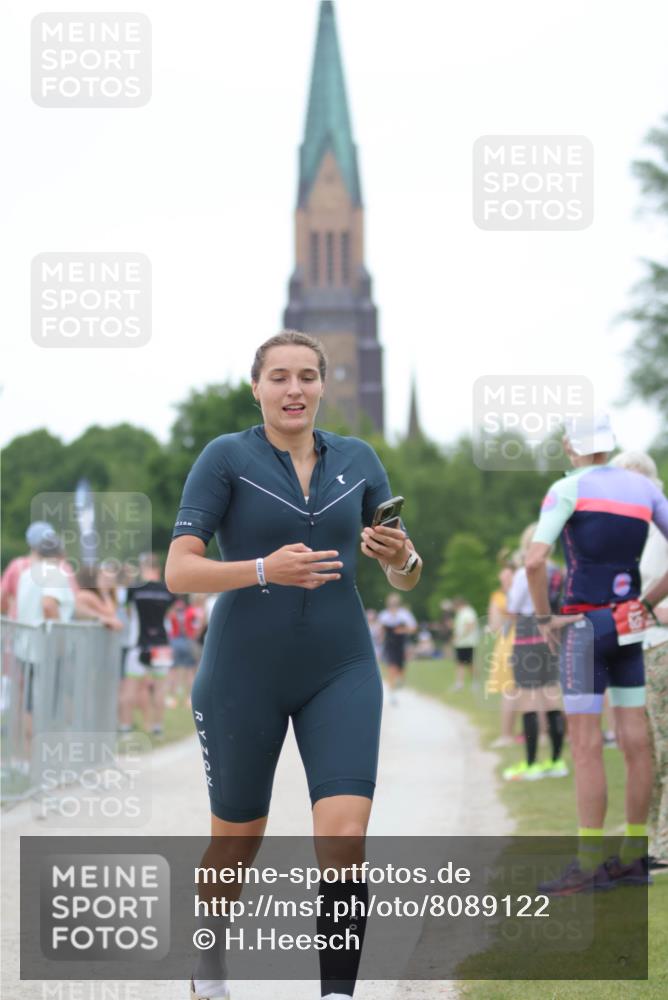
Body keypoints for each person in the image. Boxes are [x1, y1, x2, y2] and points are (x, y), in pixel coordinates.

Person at [165, 330, 423, 1000]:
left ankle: (336, 994)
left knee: (344, 837)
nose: (294, 389)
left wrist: (399, 559)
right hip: (242, 675)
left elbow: (406, 573)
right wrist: (261, 569)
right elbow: (179, 570)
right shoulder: (226, 458)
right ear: (257, 386)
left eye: (307, 376)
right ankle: (210, 967)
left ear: (322, 385)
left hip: (341, 669)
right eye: (279, 377)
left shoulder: (359, 460)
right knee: (236, 846)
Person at [525, 413, 668, 894]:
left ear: (570, 447)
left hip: (583, 626)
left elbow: (535, 558)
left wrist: (545, 619)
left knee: (585, 746)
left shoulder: (568, 487)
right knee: (635, 741)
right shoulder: (643, 489)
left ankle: (587, 865)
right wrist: (647, 602)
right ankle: (633, 857)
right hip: (629, 621)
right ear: (610, 446)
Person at [611, 450, 668, 871]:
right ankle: (649, 837)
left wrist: (651, 608)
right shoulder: (625, 530)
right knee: (641, 749)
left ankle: (663, 845)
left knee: (664, 748)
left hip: (662, 647)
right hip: (633, 648)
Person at [501, 524, 567, 781]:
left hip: (528, 631)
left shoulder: (523, 573)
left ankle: (531, 764)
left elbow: (513, 606)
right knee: (552, 696)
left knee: (528, 699)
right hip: (551, 633)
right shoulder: (557, 571)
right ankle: (556, 760)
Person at [14, 526, 75, 765]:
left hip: (26, 646)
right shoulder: (55, 574)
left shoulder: (25, 573)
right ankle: (47, 761)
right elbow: (49, 605)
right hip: (48, 649)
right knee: (51, 705)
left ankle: (30, 758)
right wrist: (59, 639)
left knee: (30, 703)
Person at [123, 553, 175, 738]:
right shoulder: (167, 590)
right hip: (161, 645)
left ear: (143, 567)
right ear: (159, 569)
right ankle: (157, 728)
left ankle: (126, 728)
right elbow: (169, 614)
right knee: (160, 689)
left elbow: (128, 612)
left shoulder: (134, 589)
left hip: (138, 644)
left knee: (130, 687)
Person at [486, 564, 517, 748]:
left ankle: (506, 735)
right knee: (533, 691)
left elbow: (494, 626)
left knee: (509, 691)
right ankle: (542, 734)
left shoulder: (498, 598)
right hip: (528, 640)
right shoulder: (525, 592)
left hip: (507, 644)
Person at [378, 592, 417, 704]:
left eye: (395, 603)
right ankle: (392, 693)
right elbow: (381, 630)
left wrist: (402, 630)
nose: (393, 605)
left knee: (401, 668)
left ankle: (400, 681)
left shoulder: (404, 614)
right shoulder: (384, 615)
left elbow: (413, 628)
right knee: (392, 668)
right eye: (391, 603)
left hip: (402, 644)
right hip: (389, 644)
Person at [452, 596, 480, 690]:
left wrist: (460, 636)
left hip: (468, 642)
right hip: (461, 643)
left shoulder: (468, 612)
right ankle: (459, 683)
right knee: (460, 663)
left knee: (470, 663)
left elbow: (470, 625)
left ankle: (475, 682)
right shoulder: (461, 613)